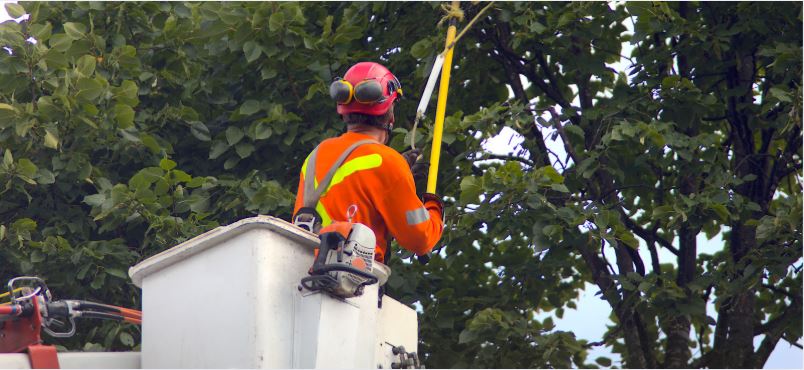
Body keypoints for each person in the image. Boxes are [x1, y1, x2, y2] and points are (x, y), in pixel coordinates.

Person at [293, 62, 444, 264]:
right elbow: (420, 239)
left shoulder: (315, 156)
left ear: (343, 109)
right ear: (390, 113)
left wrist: (399, 172)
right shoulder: (387, 162)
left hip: (302, 272)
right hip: (353, 282)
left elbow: (352, 189)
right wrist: (433, 207)